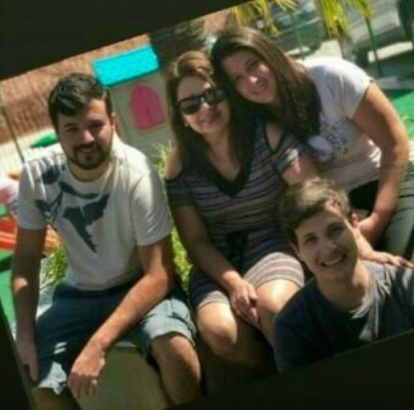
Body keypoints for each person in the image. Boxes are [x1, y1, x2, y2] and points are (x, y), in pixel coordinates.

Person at [12, 73, 201, 410]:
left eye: (95, 125)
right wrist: (25, 335)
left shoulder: (137, 173)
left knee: (176, 351)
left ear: (113, 122)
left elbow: (159, 275)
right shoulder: (38, 175)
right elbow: (26, 260)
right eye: (72, 129)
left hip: (140, 287)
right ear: (57, 132)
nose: (85, 138)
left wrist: (98, 344)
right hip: (77, 296)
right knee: (32, 378)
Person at [164, 50, 319, 379]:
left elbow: (312, 191)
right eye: (191, 104)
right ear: (181, 115)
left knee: (274, 308)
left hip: (272, 242)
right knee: (220, 332)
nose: (205, 108)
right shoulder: (180, 166)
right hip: (217, 260)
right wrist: (233, 282)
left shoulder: (266, 135)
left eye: (212, 94)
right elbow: (195, 241)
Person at [211, 26, 414, 260]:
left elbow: (395, 143)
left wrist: (379, 217)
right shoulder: (256, 122)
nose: (252, 81)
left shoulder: (331, 78)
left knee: (398, 264)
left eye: (253, 64)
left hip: (385, 183)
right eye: (237, 78)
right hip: (326, 210)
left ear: (270, 55)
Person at [274, 177, 414, 373]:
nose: (328, 248)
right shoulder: (293, 326)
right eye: (310, 240)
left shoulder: (405, 286)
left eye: (335, 230)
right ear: (297, 250)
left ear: (355, 224)